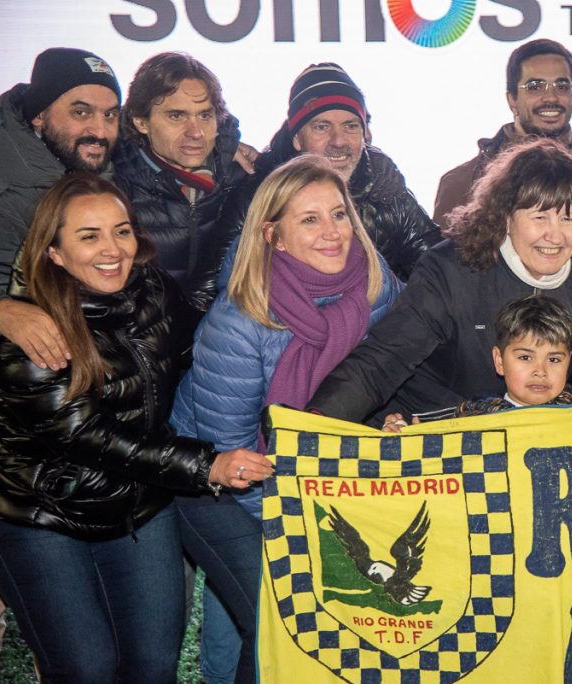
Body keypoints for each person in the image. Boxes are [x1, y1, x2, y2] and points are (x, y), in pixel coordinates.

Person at [0, 174, 269, 683]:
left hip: (140, 503)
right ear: (54, 253)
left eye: (121, 231)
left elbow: (203, 354)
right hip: (46, 514)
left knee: (153, 666)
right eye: (89, 236)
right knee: (86, 668)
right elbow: (89, 438)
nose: (112, 249)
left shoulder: (153, 290)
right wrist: (206, 465)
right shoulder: (32, 331)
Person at [169, 154, 401, 682]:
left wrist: (395, 414)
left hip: (314, 471)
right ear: (273, 235)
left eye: (339, 214)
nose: (333, 233)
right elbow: (232, 453)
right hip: (214, 478)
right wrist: (300, 528)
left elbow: (398, 369)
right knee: (277, 606)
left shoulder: (376, 284)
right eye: (310, 220)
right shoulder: (238, 320)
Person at [309, 139, 572, 424]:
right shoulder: (451, 271)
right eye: (540, 217)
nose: (555, 236)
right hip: (440, 423)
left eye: (568, 219)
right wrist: (319, 421)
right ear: (505, 217)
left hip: (533, 428)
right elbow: (384, 359)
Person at [243, 62, 439, 281]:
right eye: (322, 126)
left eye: (350, 126)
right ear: (296, 138)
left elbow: (436, 266)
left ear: (365, 134)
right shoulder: (258, 192)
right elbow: (225, 283)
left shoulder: (383, 185)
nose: (338, 141)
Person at [0, 47, 121, 372]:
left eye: (110, 115)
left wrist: (225, 148)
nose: (100, 131)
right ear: (39, 115)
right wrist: (0, 310)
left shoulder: (90, 155)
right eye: (81, 112)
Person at [383, 294, 572, 427]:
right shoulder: (474, 415)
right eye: (525, 357)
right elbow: (420, 430)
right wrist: (399, 429)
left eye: (554, 359)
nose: (540, 371)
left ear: (569, 362)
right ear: (499, 361)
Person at [432, 39, 572, 229]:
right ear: (512, 100)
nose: (551, 97)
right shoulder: (461, 183)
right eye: (535, 87)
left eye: (562, 86)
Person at [113, 52, 249, 312]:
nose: (196, 132)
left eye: (205, 116)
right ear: (141, 121)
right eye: (177, 116)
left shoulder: (243, 179)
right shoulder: (113, 186)